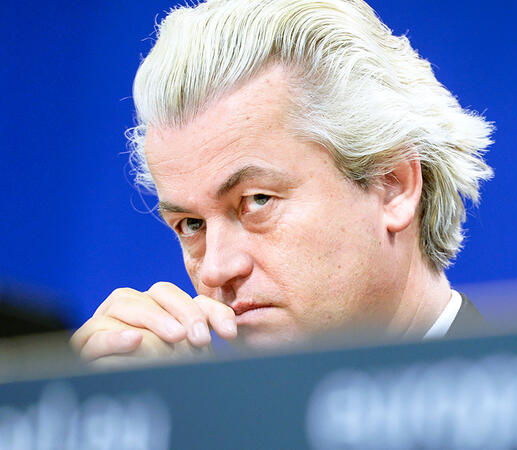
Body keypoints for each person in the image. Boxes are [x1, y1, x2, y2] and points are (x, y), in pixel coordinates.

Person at [70, 0, 493, 363]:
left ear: (392, 186)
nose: (216, 270)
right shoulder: (203, 417)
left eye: (257, 200)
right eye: (191, 224)